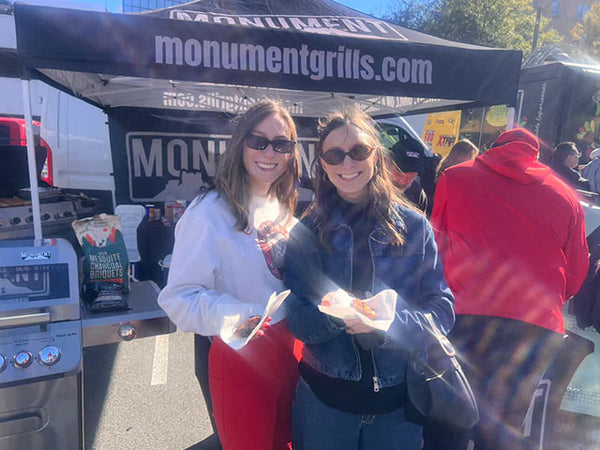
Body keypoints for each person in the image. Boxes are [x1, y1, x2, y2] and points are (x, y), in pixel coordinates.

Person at [284, 107, 455, 450]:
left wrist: (388, 324)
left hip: (397, 406)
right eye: (335, 155)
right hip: (324, 404)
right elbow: (297, 318)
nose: (347, 164)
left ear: (375, 155)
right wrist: (336, 317)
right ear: (323, 165)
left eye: (358, 151)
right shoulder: (306, 230)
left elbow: (442, 311)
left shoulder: (414, 227)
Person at [429, 128, 589, 449]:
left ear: (492, 148)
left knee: (450, 417)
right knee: (502, 427)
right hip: (534, 328)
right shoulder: (566, 195)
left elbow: (435, 244)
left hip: (467, 316)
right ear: (536, 155)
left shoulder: (455, 178)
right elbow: (576, 271)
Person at [158, 100, 301, 450]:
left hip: (291, 352)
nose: (270, 152)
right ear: (240, 144)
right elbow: (177, 299)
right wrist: (234, 314)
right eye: (259, 140)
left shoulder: (279, 205)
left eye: (281, 144)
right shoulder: (208, 213)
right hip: (241, 357)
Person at [389, 137, 429, 212]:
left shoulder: (418, 194)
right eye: (399, 174)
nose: (403, 182)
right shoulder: (370, 188)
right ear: (387, 163)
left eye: (410, 177)